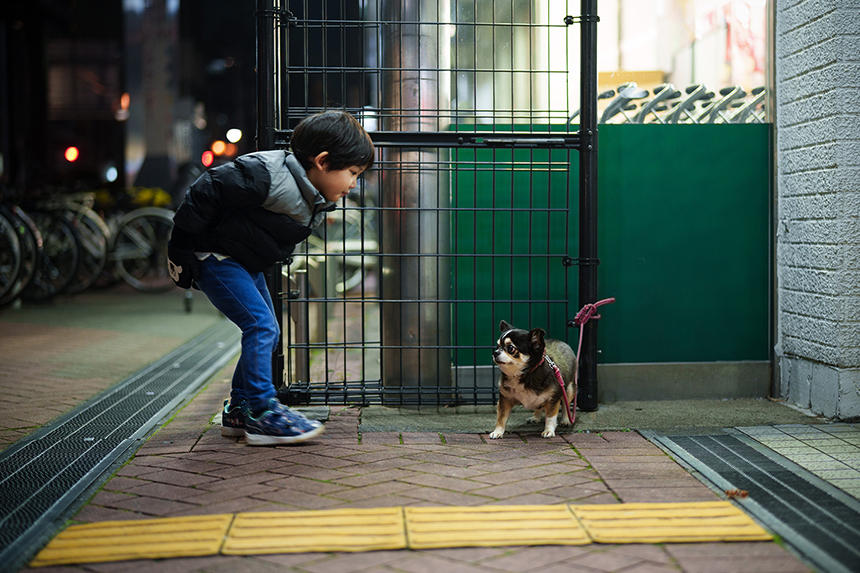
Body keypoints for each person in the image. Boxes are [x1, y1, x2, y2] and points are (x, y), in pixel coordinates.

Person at [167, 110, 375, 446]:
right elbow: (206, 189)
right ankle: (263, 413)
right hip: (216, 257)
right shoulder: (267, 174)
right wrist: (180, 252)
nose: (353, 184)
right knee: (261, 327)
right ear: (322, 161)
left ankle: (239, 409)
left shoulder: (312, 195)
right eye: (352, 173)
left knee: (269, 330)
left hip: (243, 261)